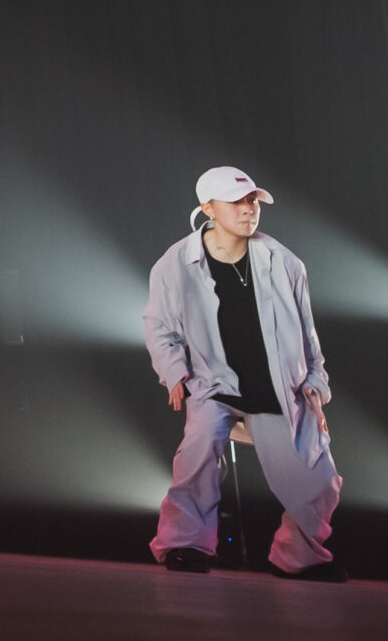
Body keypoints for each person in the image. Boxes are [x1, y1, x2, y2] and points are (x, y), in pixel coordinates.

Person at [144, 167, 344, 580]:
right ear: (208, 209)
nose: (249, 209)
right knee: (198, 456)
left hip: (277, 388)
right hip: (212, 384)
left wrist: (315, 384)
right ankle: (184, 546)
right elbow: (158, 324)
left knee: (319, 480)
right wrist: (174, 372)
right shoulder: (176, 263)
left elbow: (307, 332)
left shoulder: (283, 261)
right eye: (236, 202)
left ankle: (297, 558)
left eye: (253, 201)